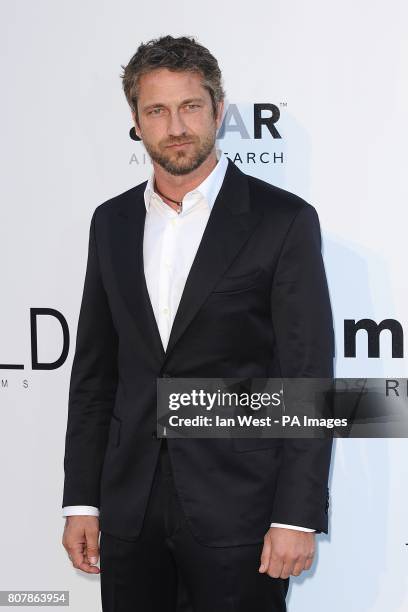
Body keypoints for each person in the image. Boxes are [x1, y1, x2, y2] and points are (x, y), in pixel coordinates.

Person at [62, 35, 334, 612]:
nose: (176, 126)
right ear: (136, 121)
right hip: (129, 511)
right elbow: (94, 375)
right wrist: (81, 502)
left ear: (217, 108)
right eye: (157, 110)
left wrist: (296, 515)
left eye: (190, 106)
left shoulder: (282, 221)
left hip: (242, 511)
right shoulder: (110, 223)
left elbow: (306, 375)